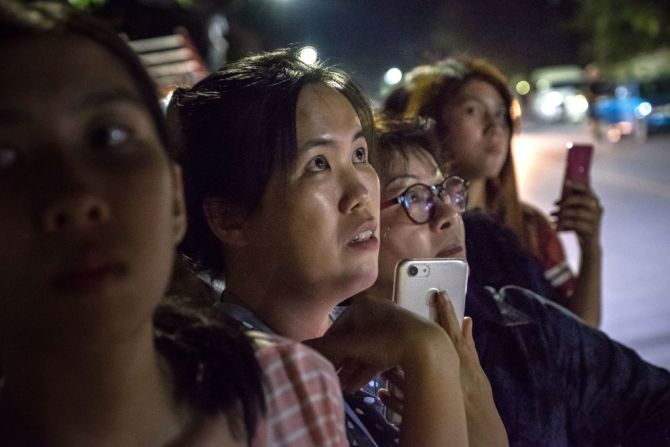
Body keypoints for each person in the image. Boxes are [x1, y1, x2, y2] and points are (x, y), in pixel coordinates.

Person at [0, 2, 348, 446]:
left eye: (108, 136)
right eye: (5, 158)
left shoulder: (291, 390)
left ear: (175, 197)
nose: (76, 198)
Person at [170, 49, 481, 446]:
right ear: (229, 217)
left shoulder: (371, 354)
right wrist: (429, 354)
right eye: (318, 164)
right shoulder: (234, 391)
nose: (360, 193)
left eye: (359, 155)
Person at [368, 116, 670, 446]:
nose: (449, 214)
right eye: (415, 197)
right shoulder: (331, 379)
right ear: (357, 227)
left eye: (447, 191)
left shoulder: (521, 324)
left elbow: (655, 403)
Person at [397, 57, 603, 327]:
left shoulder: (529, 227)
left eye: (500, 114)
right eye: (472, 111)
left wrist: (591, 250)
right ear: (432, 122)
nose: (494, 127)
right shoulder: (415, 231)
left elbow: (582, 339)